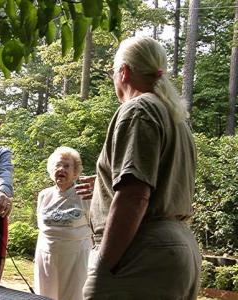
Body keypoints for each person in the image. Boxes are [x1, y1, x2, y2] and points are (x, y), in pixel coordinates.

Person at [83, 36, 201, 299]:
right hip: (179, 248)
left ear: (123, 71)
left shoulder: (138, 109)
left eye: (114, 73)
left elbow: (135, 196)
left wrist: (103, 266)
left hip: (141, 253)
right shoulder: (175, 117)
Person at [34, 146, 92, 300]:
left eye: (67, 166)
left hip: (76, 258)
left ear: (75, 173)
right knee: (44, 295)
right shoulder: (44, 195)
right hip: (46, 256)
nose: (61, 169)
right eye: (58, 165)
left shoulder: (84, 194)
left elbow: (97, 227)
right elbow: (41, 227)